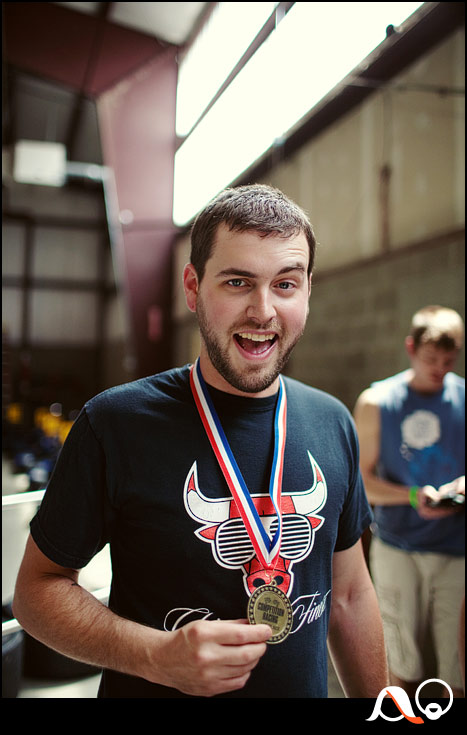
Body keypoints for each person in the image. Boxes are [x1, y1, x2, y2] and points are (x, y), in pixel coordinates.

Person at [13, 184, 388, 698]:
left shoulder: (332, 421)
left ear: (306, 291)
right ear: (192, 288)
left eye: (285, 284)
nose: (263, 310)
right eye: (238, 282)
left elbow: (348, 595)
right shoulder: (116, 423)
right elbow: (35, 592)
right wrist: (153, 655)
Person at [354, 306, 465, 698]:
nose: (439, 369)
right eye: (431, 359)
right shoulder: (378, 402)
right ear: (411, 348)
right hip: (397, 545)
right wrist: (414, 496)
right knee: (401, 660)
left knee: (458, 666)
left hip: (456, 549)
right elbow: (361, 483)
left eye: (449, 361)